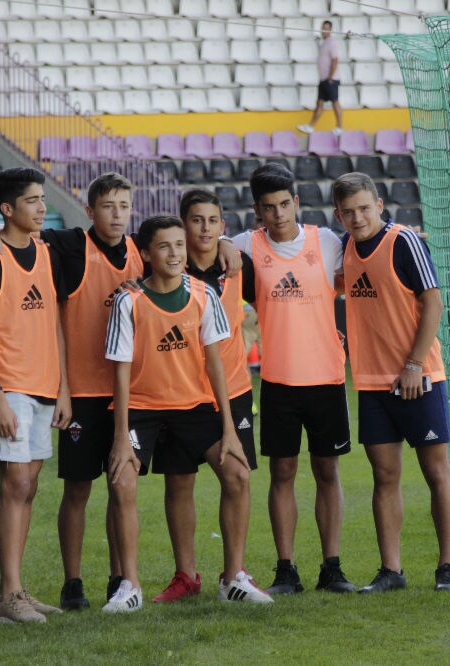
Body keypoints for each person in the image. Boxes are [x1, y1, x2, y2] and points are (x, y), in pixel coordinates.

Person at [0, 172, 242, 609]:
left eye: (124, 206)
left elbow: (194, 248)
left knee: (122, 484)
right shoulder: (67, 246)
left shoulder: (144, 248)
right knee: (78, 489)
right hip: (81, 390)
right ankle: (73, 582)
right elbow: (18, 234)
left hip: (133, 393)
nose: (117, 215)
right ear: (90, 209)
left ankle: (121, 579)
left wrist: (227, 244)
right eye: (107, 206)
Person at [104, 215, 270, 612]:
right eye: (164, 246)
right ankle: (130, 586)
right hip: (143, 409)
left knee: (237, 472)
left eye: (179, 245)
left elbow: (216, 364)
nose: (175, 253)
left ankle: (233, 579)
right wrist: (121, 437)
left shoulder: (202, 293)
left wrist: (229, 429)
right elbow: (121, 373)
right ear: (146, 253)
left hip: (194, 406)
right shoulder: (128, 301)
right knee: (123, 482)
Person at [332, 173, 450, 593]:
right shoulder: (345, 250)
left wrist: (414, 364)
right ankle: (392, 571)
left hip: (419, 377)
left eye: (364, 208)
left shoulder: (404, 241)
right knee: (383, 477)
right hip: (371, 383)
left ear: (380, 205)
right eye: (348, 212)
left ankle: (447, 569)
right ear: (338, 214)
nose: (357, 218)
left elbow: (433, 302)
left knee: (436, 472)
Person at [231, 163, 356, 595]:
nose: (279, 213)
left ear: (296, 202)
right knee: (281, 473)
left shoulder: (325, 241)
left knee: (327, 471)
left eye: (285, 204)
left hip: (326, 377)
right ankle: (286, 570)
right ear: (257, 211)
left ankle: (332, 568)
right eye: (269, 207)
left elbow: (366, 252)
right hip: (279, 381)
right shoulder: (245, 245)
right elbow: (209, 252)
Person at [0, 168, 71, 623]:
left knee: (28, 488)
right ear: (8, 209)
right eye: (32, 200)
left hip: (45, 386)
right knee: (15, 484)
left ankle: (17, 590)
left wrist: (64, 388)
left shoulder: (48, 252)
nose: (43, 207)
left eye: (43, 199)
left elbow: (56, 326)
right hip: (8, 386)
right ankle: (8, 597)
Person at [149, 189, 261, 603]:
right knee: (179, 481)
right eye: (196, 220)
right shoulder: (166, 266)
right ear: (183, 225)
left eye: (213, 221)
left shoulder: (237, 264)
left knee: (237, 475)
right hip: (179, 394)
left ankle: (234, 575)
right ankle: (186, 576)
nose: (206, 228)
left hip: (231, 390)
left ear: (223, 225)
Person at [297, 21, 343, 137]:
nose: (324, 31)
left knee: (335, 101)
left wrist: (331, 77)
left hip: (330, 79)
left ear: (330, 30)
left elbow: (335, 59)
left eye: (326, 29)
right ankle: (311, 126)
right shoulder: (324, 43)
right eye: (323, 28)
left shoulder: (332, 43)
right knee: (319, 103)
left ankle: (339, 126)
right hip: (323, 79)